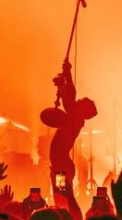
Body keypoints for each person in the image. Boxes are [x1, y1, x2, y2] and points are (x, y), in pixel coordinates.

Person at [41, 59, 97, 197]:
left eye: (81, 102)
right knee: (62, 194)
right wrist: (65, 80)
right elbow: (70, 99)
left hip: (61, 165)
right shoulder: (74, 118)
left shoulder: (75, 119)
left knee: (61, 196)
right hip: (61, 164)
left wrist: (67, 74)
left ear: (83, 110)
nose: (79, 101)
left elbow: (70, 99)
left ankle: (64, 209)